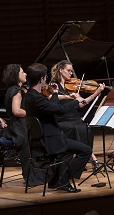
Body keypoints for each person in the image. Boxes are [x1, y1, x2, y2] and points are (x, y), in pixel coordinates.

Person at [24, 63, 93, 192]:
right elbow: (60, 110)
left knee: (68, 151)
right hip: (49, 141)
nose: (46, 80)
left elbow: (53, 109)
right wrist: (76, 102)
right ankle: (63, 180)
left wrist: (55, 94)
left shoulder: (30, 95)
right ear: (41, 79)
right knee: (86, 150)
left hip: (46, 137)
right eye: (44, 77)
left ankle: (57, 181)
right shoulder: (37, 98)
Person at [50, 60, 104, 172]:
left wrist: (96, 92)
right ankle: (91, 157)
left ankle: (83, 159)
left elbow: (82, 103)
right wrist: (68, 97)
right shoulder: (53, 85)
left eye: (71, 71)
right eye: (69, 70)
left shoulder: (71, 87)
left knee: (85, 129)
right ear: (61, 70)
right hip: (61, 119)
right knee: (76, 128)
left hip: (74, 118)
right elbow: (50, 97)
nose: (71, 73)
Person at [2, 64, 30, 181]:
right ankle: (31, 174)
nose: (26, 74)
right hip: (19, 127)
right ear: (16, 76)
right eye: (22, 72)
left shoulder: (11, 89)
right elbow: (17, 111)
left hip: (15, 125)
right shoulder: (17, 90)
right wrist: (32, 112)